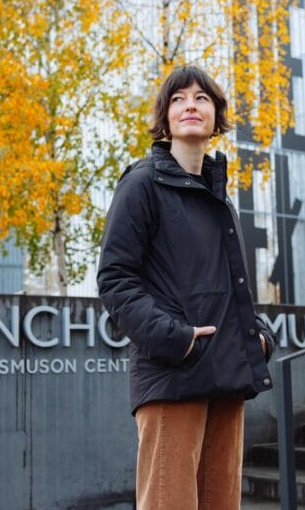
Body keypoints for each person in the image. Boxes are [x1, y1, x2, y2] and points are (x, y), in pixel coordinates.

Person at [96, 65, 275, 510]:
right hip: (172, 376)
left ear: (216, 116)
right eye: (178, 98)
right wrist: (177, 340)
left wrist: (260, 336)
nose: (190, 104)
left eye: (201, 97)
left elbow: (231, 288)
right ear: (165, 117)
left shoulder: (220, 200)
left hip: (227, 378)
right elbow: (115, 279)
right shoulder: (142, 184)